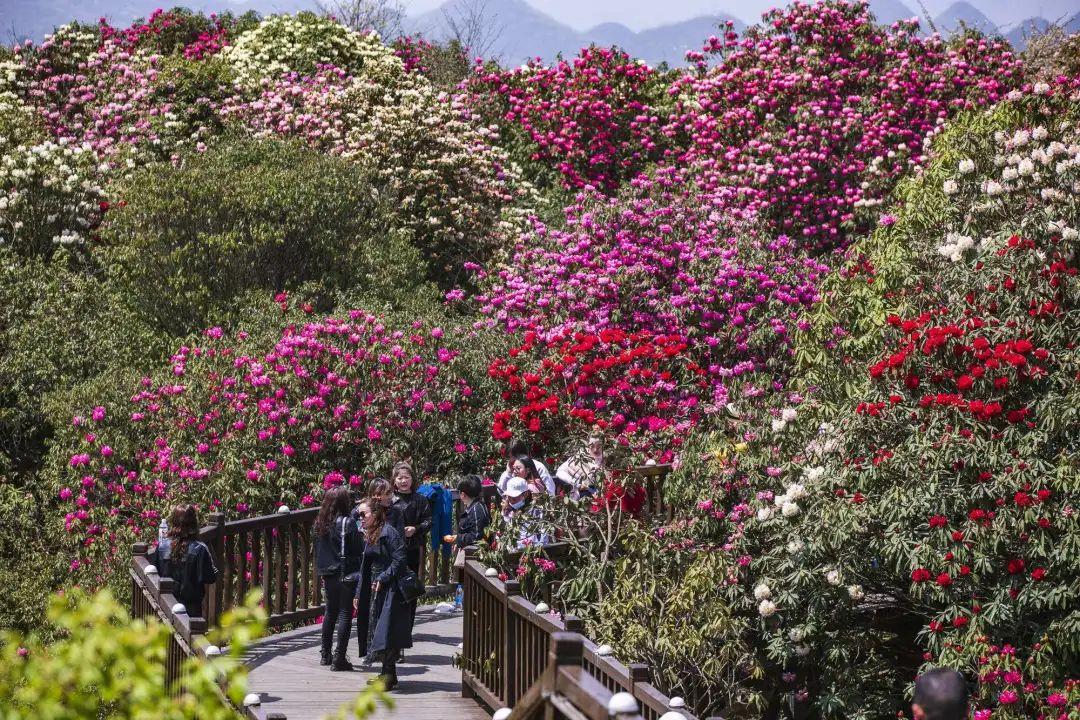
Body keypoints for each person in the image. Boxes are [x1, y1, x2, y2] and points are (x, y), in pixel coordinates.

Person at [353, 498, 410, 690]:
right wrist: (358, 593)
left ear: (376, 514)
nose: (360, 518)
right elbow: (366, 566)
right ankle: (388, 674)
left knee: (385, 631)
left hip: (390, 589)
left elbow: (400, 560)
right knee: (378, 628)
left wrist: (384, 578)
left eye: (363, 514)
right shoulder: (371, 533)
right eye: (358, 515)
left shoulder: (389, 533)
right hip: (375, 588)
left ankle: (387, 675)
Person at [314, 487, 364, 670]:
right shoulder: (347, 522)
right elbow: (357, 549)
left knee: (330, 612)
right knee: (344, 613)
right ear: (344, 503)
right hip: (345, 573)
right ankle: (339, 658)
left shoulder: (319, 522)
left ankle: (325, 654)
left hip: (327, 573)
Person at [389, 461, 431, 642]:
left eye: (407, 477)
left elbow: (429, 521)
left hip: (412, 549)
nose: (404, 481)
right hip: (391, 552)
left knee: (409, 589)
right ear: (394, 480)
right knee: (393, 591)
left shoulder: (420, 499)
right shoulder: (389, 499)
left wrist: (416, 529)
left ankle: (406, 632)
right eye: (400, 478)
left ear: (413, 480)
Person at [151, 505, 218, 618]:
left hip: (166, 607)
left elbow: (155, 573)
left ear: (173, 522)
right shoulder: (200, 549)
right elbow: (210, 578)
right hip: (191, 612)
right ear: (194, 524)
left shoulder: (162, 546)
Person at [443, 473, 492, 552]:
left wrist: (457, 538)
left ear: (463, 494)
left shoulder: (477, 510)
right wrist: (459, 543)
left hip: (475, 555)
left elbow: (476, 537)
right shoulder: (476, 505)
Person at [500, 476, 549, 550]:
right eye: (508, 497)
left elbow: (543, 537)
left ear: (525, 494)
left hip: (531, 550)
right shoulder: (508, 511)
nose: (511, 501)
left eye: (514, 498)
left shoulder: (536, 511)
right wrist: (505, 513)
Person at [555, 434, 605, 499]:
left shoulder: (607, 459)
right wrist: (577, 484)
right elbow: (560, 472)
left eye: (599, 446)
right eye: (592, 446)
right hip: (580, 496)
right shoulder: (579, 456)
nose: (595, 449)